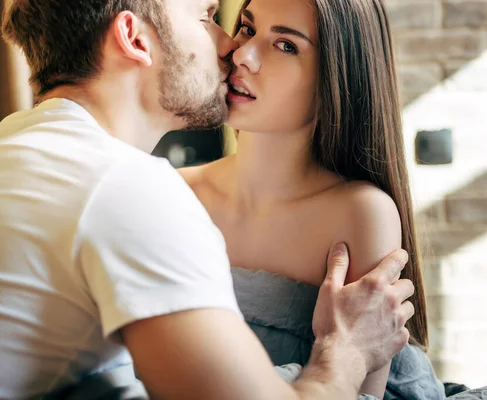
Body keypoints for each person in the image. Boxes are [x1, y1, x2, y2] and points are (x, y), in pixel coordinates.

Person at [0, 0, 416, 399]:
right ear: (134, 38)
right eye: (205, 17)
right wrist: (349, 353)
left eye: (286, 44)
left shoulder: (18, 146)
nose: (233, 49)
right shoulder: (135, 192)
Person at [180, 0, 444, 398]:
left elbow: (364, 392)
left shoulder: (360, 212)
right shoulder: (174, 192)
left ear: (335, 80)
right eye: (249, 29)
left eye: (286, 45)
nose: (243, 55)